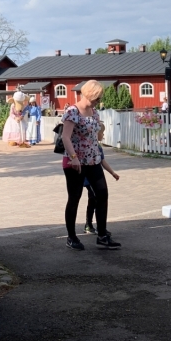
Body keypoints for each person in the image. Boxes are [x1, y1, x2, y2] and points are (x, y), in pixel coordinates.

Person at [60, 79, 120, 250]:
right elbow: (65, 136)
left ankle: (102, 235)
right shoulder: (73, 111)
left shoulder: (94, 113)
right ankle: (71, 237)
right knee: (75, 198)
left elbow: (95, 137)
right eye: (97, 97)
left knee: (102, 194)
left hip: (93, 160)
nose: (98, 101)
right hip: (75, 163)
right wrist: (73, 157)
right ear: (89, 94)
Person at [84, 142, 119, 234]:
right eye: (101, 133)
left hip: (95, 178)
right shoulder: (87, 144)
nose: (102, 135)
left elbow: (103, 161)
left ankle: (93, 225)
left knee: (93, 200)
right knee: (95, 199)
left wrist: (112, 173)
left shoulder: (98, 146)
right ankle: (91, 226)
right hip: (88, 179)